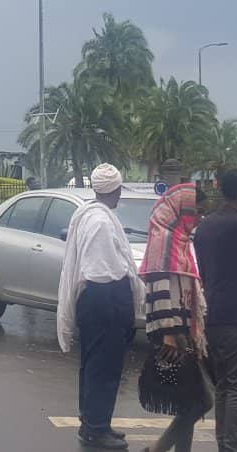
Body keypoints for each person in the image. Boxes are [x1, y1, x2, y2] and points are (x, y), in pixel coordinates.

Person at [57, 163, 143, 450]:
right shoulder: (100, 222)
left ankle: (96, 423)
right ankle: (95, 429)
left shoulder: (91, 215)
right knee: (103, 369)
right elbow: (102, 269)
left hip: (98, 300)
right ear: (115, 189)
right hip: (103, 299)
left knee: (96, 366)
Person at [137, 184, 213, 452]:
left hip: (183, 328)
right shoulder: (164, 239)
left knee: (190, 401)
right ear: (183, 210)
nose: (200, 219)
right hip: (173, 330)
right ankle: (157, 450)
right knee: (201, 402)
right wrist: (170, 333)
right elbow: (158, 286)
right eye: (198, 213)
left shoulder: (178, 237)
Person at [194, 168, 237, 452]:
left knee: (225, 386)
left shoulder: (206, 225)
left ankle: (225, 445)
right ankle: (233, 448)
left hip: (212, 314)